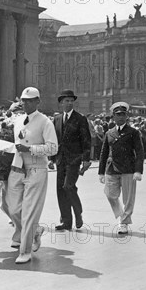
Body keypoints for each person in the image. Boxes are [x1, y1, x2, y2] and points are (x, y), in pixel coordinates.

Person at [6, 87, 58, 264]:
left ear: (38, 101)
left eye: (29, 100)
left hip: (37, 168)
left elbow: (53, 148)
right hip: (18, 166)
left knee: (29, 211)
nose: (25, 103)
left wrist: (31, 149)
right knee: (12, 208)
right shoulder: (18, 120)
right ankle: (35, 231)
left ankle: (25, 251)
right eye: (23, 100)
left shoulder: (45, 122)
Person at [48, 89, 91, 231]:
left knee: (68, 186)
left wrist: (86, 159)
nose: (69, 103)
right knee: (61, 190)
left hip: (74, 159)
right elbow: (54, 140)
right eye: (67, 101)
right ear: (61, 103)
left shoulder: (80, 119)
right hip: (60, 159)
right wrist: (51, 158)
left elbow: (86, 140)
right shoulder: (57, 119)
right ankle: (66, 221)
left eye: (71, 101)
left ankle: (78, 213)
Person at [98, 101, 144, 235]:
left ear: (127, 116)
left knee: (128, 199)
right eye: (118, 115)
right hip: (111, 168)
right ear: (113, 116)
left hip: (128, 169)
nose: (120, 117)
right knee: (110, 194)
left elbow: (140, 152)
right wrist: (101, 172)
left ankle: (124, 223)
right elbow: (103, 153)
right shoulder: (109, 133)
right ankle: (121, 215)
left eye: (123, 114)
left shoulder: (133, 132)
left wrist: (138, 170)